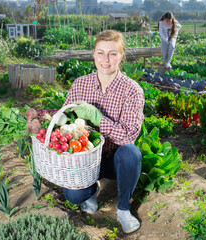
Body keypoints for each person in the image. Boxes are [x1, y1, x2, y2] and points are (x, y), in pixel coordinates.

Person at [61, 30, 145, 234]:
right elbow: (63, 123)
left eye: (112, 53)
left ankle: (123, 209)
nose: (105, 59)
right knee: (72, 195)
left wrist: (98, 118)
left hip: (117, 158)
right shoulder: (80, 84)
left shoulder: (132, 90)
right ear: (93, 54)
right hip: (86, 159)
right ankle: (91, 190)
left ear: (121, 56)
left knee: (131, 153)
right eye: (101, 52)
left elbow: (128, 136)